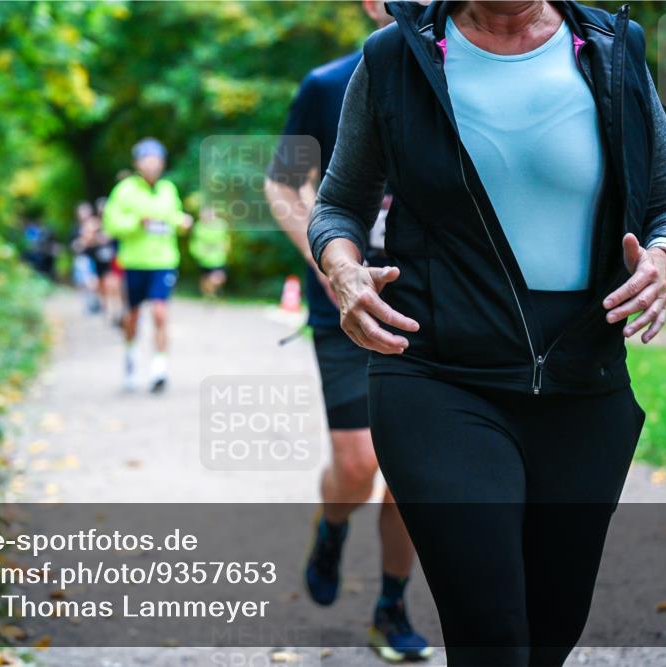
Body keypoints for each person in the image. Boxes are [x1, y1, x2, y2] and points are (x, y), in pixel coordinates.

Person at [308, 1, 666, 665]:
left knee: (549, 634)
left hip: (584, 384)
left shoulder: (612, 47)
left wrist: (665, 259)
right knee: (490, 632)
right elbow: (338, 205)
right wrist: (345, 272)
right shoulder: (395, 58)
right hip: (435, 375)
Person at [264, 2, 431, 662]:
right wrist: (333, 262)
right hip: (345, 300)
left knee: (415, 470)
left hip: (432, 302)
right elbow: (282, 185)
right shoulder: (327, 84)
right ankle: (333, 524)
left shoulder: (471, 77)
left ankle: (392, 603)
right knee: (360, 463)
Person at [103, 138, 192, 393]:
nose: (152, 164)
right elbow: (112, 224)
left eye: (156, 159)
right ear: (137, 163)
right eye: (147, 159)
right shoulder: (125, 190)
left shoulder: (168, 189)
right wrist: (137, 222)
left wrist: (182, 221)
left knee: (159, 313)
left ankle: (159, 369)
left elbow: (173, 216)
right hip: (134, 263)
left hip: (163, 262)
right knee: (132, 317)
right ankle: (130, 360)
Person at [189, 205, 231, 298]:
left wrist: (226, 248)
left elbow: (225, 239)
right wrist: (198, 253)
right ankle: (208, 295)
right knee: (205, 279)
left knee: (217, 278)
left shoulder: (221, 224)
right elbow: (195, 243)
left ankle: (211, 293)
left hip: (219, 259)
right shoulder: (199, 227)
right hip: (204, 260)